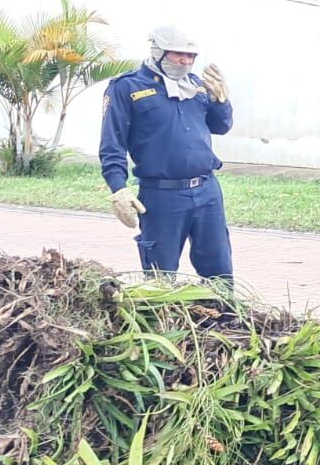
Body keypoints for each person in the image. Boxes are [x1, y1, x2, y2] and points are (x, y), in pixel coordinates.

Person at [100, 25, 235, 284]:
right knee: (161, 278)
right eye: (179, 55)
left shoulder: (196, 86)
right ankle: (163, 322)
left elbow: (221, 127)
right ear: (158, 52)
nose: (187, 61)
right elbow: (112, 145)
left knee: (220, 272)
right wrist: (118, 188)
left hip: (207, 192)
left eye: (192, 56)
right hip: (162, 197)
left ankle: (226, 319)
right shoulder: (126, 88)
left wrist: (221, 101)